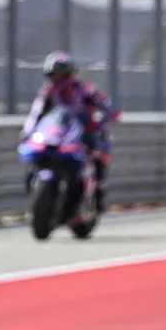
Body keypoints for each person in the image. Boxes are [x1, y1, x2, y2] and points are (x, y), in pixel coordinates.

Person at [21, 51, 121, 211]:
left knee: (98, 154)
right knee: (35, 149)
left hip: (85, 130)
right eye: (54, 74)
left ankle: (99, 191)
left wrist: (103, 123)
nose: (57, 77)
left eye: (61, 73)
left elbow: (108, 107)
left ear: (69, 73)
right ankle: (34, 180)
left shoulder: (85, 90)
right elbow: (36, 112)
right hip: (58, 131)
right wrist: (28, 130)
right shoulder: (47, 92)